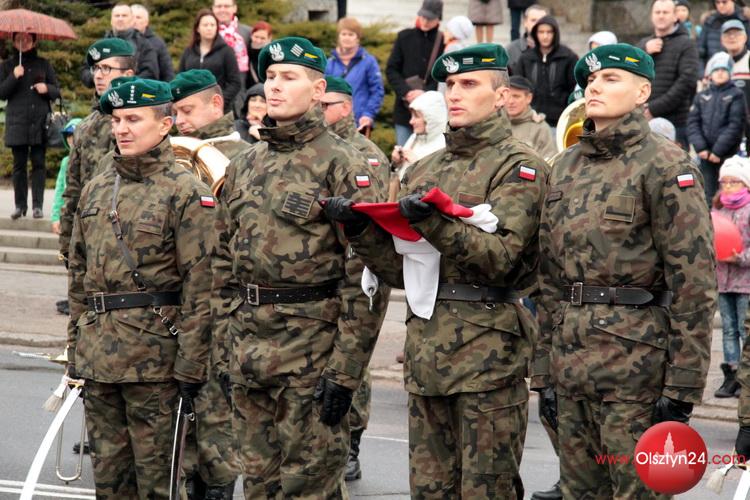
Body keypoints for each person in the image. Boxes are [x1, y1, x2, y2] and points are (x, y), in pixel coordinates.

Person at [322, 43, 549, 499]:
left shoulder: (520, 167)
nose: (455, 94)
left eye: (469, 84)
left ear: (501, 96)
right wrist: (360, 231)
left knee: (486, 491)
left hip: (488, 357)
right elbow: (401, 270)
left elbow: (500, 258)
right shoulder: (424, 168)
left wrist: (434, 222)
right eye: (450, 85)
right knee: (427, 491)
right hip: (427, 357)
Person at [532, 43, 716, 498]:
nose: (595, 86)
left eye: (610, 78)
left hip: (636, 374)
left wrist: (683, 386)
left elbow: (694, 283)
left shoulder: (666, 165)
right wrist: (543, 373)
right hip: (570, 369)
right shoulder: (565, 166)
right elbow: (549, 279)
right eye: (591, 80)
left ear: (642, 92)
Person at [210, 36, 387, 498]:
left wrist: (345, 371)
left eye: (289, 77)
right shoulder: (245, 164)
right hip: (249, 350)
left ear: (318, 89)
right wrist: (224, 350)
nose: (274, 86)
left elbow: (367, 276)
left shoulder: (344, 163)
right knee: (258, 486)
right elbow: (223, 263)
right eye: (270, 76)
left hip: (312, 353)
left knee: (309, 488)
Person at [65, 77, 215, 498]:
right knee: (109, 484)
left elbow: (204, 287)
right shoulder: (97, 189)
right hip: (99, 358)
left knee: (159, 485)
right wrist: (75, 349)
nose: (122, 129)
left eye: (133, 119)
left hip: (156, 363)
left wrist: (192, 366)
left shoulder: (186, 192)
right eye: (117, 120)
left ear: (165, 124)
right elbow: (79, 278)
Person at [169, 69, 248, 499]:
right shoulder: (171, 154)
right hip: (180, 303)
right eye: (175, 111)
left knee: (217, 413)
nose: (180, 120)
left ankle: (217, 487)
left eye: (187, 110)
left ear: (216, 104)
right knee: (182, 415)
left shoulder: (244, 156)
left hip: (224, 305)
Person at [321, 75, 391, 482]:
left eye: (326, 105)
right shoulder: (317, 149)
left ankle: (353, 442)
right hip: (319, 278)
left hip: (354, 270)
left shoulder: (365, 154)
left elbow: (370, 218)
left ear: (345, 107)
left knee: (352, 365)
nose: (319, 111)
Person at [59, 38, 136, 265]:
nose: (99, 75)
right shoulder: (85, 126)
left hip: (128, 236)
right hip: (89, 234)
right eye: (96, 68)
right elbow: (73, 190)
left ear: (128, 74)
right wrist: (67, 243)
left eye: (107, 68)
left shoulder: (141, 122)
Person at [0, 31, 60, 220]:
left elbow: (56, 91)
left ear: (34, 41)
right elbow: (2, 93)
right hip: (17, 123)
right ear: (13, 42)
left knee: (38, 164)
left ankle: (37, 206)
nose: (23, 42)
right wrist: (13, 76)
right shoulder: (7, 66)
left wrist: (46, 88)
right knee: (19, 166)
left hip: (39, 123)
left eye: (27, 39)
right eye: (19, 39)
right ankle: (20, 206)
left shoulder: (44, 64)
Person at [711, 158, 750, 398]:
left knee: (745, 330)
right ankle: (732, 375)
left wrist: (741, 258)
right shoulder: (718, 210)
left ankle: (746, 376)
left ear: (745, 184)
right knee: (727, 329)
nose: (728, 186)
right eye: (724, 182)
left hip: (745, 282)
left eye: (733, 182)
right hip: (723, 281)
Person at [638, 0, 700, 150]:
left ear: (675, 16)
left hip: (675, 122)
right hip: (642, 121)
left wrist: (653, 109)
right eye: (657, 12)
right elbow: (628, 68)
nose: (661, 16)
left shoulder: (686, 44)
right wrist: (644, 51)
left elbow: (687, 81)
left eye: (665, 12)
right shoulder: (644, 44)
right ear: (651, 16)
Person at [688, 51, 747, 204]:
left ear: (730, 72)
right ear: (710, 73)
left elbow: (736, 125)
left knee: (727, 193)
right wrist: (701, 148)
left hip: (727, 155)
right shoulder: (701, 96)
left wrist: (718, 151)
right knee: (707, 193)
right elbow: (693, 123)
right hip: (705, 155)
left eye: (724, 69)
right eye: (716, 69)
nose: (720, 73)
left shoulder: (736, 95)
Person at [386, 0, 444, 145]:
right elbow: (392, 69)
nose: (425, 21)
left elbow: (443, 75)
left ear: (438, 18)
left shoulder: (442, 41)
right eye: (423, 16)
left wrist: (425, 93)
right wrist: (406, 92)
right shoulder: (404, 37)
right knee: (404, 151)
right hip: (405, 109)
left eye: (430, 18)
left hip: (430, 114)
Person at [514, 15, 578, 128]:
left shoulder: (568, 57)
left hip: (560, 120)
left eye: (549, 32)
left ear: (555, 34)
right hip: (531, 119)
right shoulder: (526, 58)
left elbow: (574, 89)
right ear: (535, 34)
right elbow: (518, 87)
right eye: (541, 32)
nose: (545, 36)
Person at [325, 17, 385, 132]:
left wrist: (368, 114)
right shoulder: (329, 63)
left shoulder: (369, 62)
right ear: (338, 36)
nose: (347, 38)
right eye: (344, 34)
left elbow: (377, 91)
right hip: (333, 124)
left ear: (358, 38)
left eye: (351, 34)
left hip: (359, 124)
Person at [179, 9, 242, 114]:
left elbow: (235, 82)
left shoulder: (226, 51)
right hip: (191, 109)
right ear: (197, 28)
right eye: (205, 25)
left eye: (212, 25)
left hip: (217, 109)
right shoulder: (189, 51)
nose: (209, 28)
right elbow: (180, 78)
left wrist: (220, 103)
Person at [81, 3, 158, 86]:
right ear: (111, 20)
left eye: (124, 16)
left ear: (132, 20)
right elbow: (85, 70)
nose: (120, 19)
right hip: (104, 92)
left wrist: (125, 84)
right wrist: (101, 77)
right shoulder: (101, 46)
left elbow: (150, 73)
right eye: (117, 16)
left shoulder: (144, 44)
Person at [50, 118, 81, 317]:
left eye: (75, 136)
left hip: (83, 216)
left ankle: (78, 299)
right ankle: (72, 296)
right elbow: (60, 189)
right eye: (68, 137)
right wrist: (56, 216)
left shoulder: (90, 160)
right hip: (68, 217)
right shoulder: (65, 162)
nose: (72, 140)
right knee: (68, 258)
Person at [390, 90, 447, 194]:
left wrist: (417, 165)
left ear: (431, 117)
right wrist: (396, 164)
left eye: (416, 116)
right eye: (411, 116)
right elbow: (400, 178)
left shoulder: (444, 145)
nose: (411, 121)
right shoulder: (415, 138)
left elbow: (441, 188)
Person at [507, 76, 556, 160]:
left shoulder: (540, 129)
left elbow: (549, 162)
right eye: (507, 96)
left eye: (516, 96)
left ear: (529, 98)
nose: (510, 101)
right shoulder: (496, 124)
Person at [699, 0, 750, 67]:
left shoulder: (746, 19)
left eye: (724, 2)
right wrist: (703, 71)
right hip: (714, 68)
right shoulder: (710, 21)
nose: (721, 5)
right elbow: (700, 51)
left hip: (743, 66)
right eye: (717, 2)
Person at [131, 3, 175, 82]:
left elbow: (167, 72)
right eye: (132, 17)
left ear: (146, 22)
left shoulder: (157, 43)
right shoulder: (121, 40)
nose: (134, 21)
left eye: (138, 17)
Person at [212, 0, 251, 78]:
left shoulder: (248, 32)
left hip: (241, 81)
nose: (222, 10)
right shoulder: (204, 32)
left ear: (234, 8)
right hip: (212, 81)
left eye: (226, 6)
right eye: (219, 6)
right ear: (213, 9)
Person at [506, 4, 549, 69]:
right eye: (533, 20)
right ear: (525, 22)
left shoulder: (559, 52)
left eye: (542, 21)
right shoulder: (510, 51)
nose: (537, 24)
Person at [246, 21, 272, 87]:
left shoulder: (273, 54)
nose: (258, 41)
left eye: (262, 38)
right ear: (251, 35)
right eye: (256, 37)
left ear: (269, 38)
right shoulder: (245, 50)